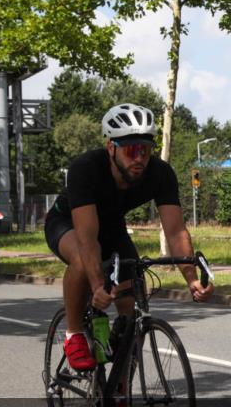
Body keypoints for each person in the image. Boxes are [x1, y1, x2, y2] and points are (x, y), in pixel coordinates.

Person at [44, 103, 214, 372]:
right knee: (81, 257)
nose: (139, 158)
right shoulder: (86, 169)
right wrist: (98, 285)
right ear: (111, 147)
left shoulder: (160, 174)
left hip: (112, 227)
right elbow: (88, 240)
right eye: (131, 150)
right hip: (68, 224)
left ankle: (119, 395)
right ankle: (74, 334)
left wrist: (191, 278)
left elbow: (176, 230)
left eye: (145, 150)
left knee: (132, 308)